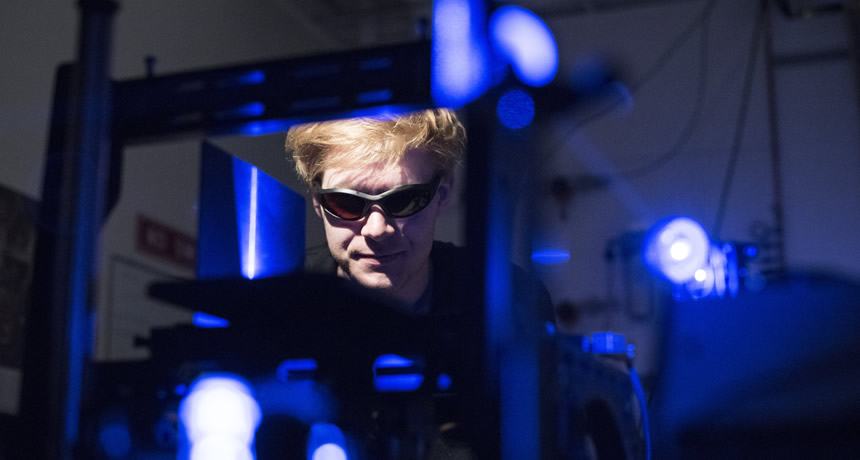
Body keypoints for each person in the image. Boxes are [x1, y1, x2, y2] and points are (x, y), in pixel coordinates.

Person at [285, 108, 553, 324]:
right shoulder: (280, 300)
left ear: (443, 193)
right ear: (317, 200)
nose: (377, 230)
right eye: (346, 202)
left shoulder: (512, 300)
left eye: (404, 199)